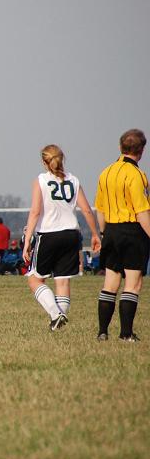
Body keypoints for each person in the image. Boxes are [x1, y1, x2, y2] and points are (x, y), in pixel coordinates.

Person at [23, 145, 101, 331]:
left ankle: (55, 314)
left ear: (44, 162)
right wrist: (95, 234)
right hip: (72, 235)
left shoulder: (41, 180)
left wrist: (27, 239)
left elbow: (35, 212)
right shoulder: (74, 180)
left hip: (49, 235)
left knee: (34, 279)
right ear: (62, 159)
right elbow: (87, 210)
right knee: (63, 280)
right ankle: (58, 323)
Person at [93, 129, 150, 342]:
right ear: (142, 151)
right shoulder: (137, 176)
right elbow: (142, 211)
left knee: (110, 283)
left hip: (111, 231)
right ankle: (126, 334)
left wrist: (102, 233)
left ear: (120, 147)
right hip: (132, 231)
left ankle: (102, 332)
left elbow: (100, 209)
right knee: (133, 284)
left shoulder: (105, 172)